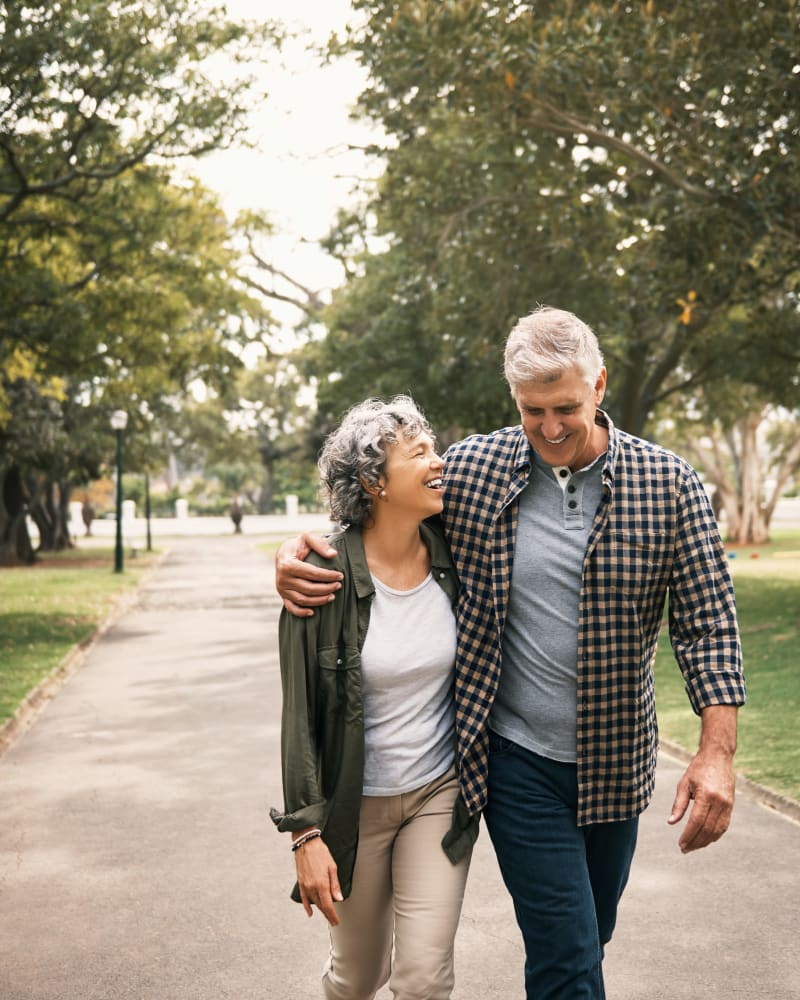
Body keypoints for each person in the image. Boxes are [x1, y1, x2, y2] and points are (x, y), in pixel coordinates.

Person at [275, 307, 746, 1000]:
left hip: (617, 761)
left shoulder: (669, 485)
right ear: (513, 401)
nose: (550, 428)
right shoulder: (473, 470)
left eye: (566, 408)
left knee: (590, 936)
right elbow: (378, 510)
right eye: (532, 411)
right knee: (565, 951)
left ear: (600, 385)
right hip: (515, 761)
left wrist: (717, 752)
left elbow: (709, 625)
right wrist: (296, 553)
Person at [269, 396, 478, 1000]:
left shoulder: (456, 553)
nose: (439, 463)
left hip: (439, 795)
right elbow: (298, 717)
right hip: (352, 807)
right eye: (419, 454)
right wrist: (305, 837)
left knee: (423, 979)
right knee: (358, 978)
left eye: (434, 448)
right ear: (372, 481)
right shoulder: (319, 576)